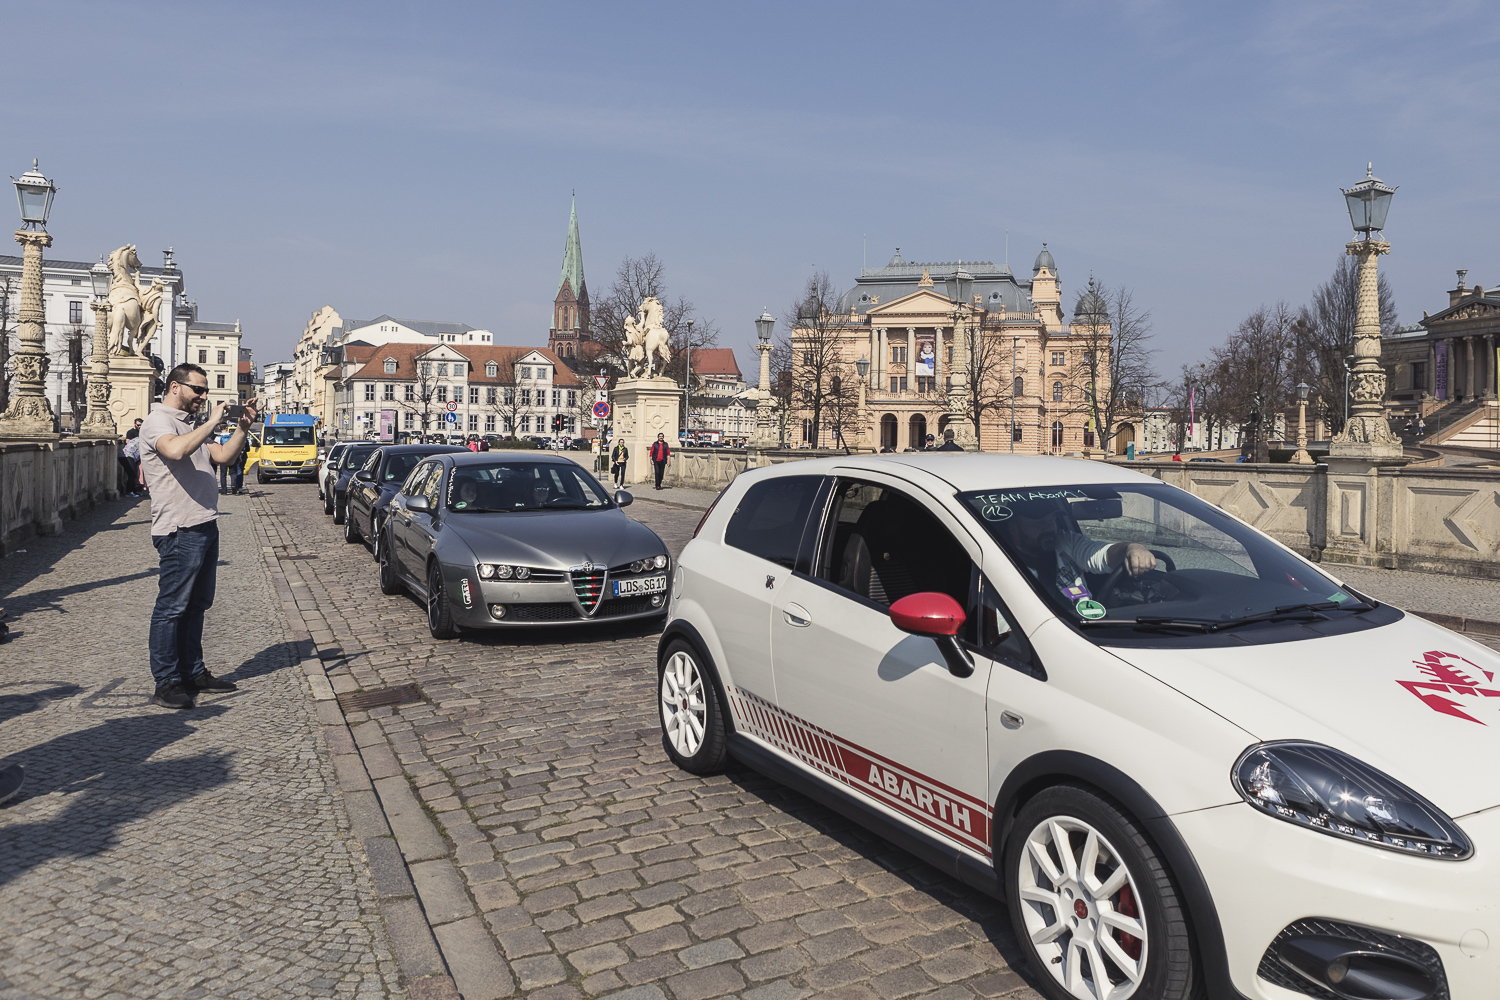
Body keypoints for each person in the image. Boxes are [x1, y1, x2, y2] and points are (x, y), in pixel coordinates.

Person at [138, 363, 258, 710]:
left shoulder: (189, 424)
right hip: (179, 529)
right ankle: (166, 681)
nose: (203, 396)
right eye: (198, 390)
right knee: (172, 608)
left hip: (205, 524)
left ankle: (192, 672)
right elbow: (175, 451)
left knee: (197, 605)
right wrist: (210, 422)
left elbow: (224, 457)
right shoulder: (158, 421)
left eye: (206, 391)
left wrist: (242, 428)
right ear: (175, 387)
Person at [996, 500, 1156, 606]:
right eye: (1040, 523)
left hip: (1088, 626)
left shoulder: (1066, 541)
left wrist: (1132, 548)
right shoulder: (1001, 562)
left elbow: (1104, 555)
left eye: (1052, 521)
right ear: (1014, 529)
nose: (1049, 528)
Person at [215, 426, 245, 495]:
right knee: (233, 473)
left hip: (223, 457)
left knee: (223, 474)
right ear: (226, 427)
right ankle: (233, 485)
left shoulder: (218, 438)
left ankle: (224, 490)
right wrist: (238, 456)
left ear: (219, 428)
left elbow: (216, 448)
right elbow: (236, 447)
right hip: (232, 457)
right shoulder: (232, 436)